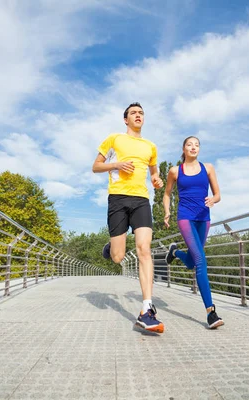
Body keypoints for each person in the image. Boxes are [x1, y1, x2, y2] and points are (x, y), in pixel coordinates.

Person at [92, 102, 165, 333]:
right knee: (117, 256)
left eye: (141, 113)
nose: (138, 115)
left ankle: (147, 310)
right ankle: (110, 248)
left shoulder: (150, 146)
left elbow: (154, 172)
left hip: (141, 200)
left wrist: (156, 180)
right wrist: (117, 164)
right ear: (126, 119)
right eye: (133, 113)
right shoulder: (114, 139)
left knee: (144, 249)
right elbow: (96, 166)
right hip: (118, 198)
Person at [163, 136, 224, 329]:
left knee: (190, 262)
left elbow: (218, 194)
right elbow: (166, 193)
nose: (193, 147)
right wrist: (167, 212)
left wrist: (213, 200)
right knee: (200, 261)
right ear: (183, 148)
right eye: (190, 144)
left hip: (203, 218)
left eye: (197, 145)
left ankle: (175, 252)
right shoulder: (175, 171)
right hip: (185, 217)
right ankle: (211, 312)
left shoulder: (208, 168)